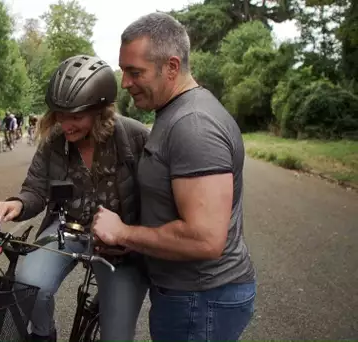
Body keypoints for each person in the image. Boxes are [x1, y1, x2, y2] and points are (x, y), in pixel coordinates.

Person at [92, 12, 256, 342]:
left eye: (135, 72)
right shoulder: (175, 112)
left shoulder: (193, 124)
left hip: (200, 300)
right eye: (124, 70)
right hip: (190, 297)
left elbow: (205, 238)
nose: (124, 82)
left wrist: (123, 233)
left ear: (171, 66)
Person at [0, 55, 150, 342]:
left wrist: (135, 238)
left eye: (76, 116)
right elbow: (36, 189)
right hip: (67, 229)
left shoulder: (135, 138)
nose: (66, 125)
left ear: (100, 110)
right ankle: (43, 334)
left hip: (119, 244)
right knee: (29, 284)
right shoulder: (54, 142)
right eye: (60, 115)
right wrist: (17, 204)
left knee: (117, 336)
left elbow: (157, 196)